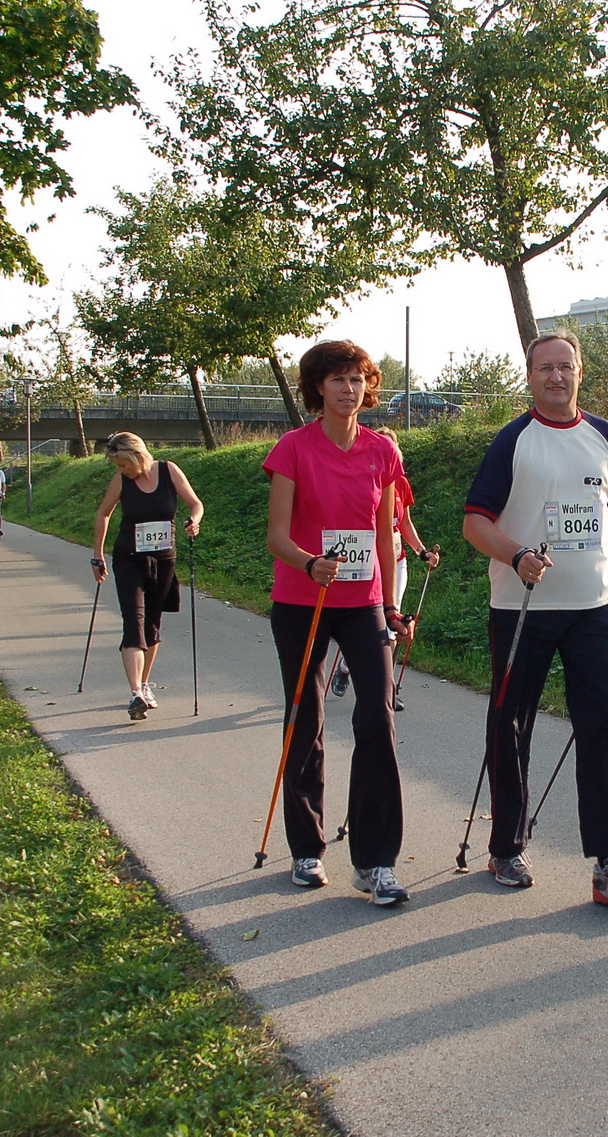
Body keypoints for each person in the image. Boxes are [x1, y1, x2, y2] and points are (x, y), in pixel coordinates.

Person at [462, 330, 608, 906]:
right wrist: (516, 555)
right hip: (524, 609)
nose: (556, 377)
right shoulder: (514, 441)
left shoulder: (604, 436)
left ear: (580, 373)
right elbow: (475, 523)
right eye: (545, 368)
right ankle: (506, 847)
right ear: (530, 375)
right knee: (511, 725)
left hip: (595, 609)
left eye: (565, 367)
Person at [262, 339, 414, 907]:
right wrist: (309, 561)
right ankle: (307, 847)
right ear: (317, 388)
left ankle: (376, 861)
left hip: (364, 601)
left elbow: (383, 534)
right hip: (303, 598)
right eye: (337, 380)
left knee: (377, 717)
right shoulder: (293, 449)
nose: (349, 389)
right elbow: (277, 535)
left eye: (357, 379)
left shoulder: (381, 452)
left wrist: (392, 606)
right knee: (307, 715)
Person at [91, 432, 205, 720]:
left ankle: (144, 683)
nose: (120, 470)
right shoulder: (121, 482)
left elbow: (195, 503)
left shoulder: (169, 471)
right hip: (129, 559)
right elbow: (103, 513)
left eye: (122, 465)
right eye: (117, 466)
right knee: (134, 621)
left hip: (163, 559)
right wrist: (98, 554)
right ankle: (136, 694)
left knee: (153, 623)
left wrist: (195, 521)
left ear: (136, 457)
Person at [328, 425, 440, 709]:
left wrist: (422, 552)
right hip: (368, 562)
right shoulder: (361, 478)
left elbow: (404, 523)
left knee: (392, 623)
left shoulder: (400, 483)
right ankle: (345, 666)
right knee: (365, 623)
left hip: (396, 562)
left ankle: (385, 689)